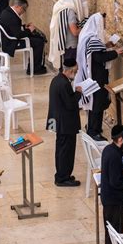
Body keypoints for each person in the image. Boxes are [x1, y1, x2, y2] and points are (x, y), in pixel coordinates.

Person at [75, 12, 122, 141]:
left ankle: (92, 127)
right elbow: (99, 57)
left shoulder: (89, 37)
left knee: (95, 104)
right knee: (97, 105)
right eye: (103, 22)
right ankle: (93, 131)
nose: (105, 24)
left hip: (94, 76)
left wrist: (107, 45)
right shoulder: (93, 39)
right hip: (97, 78)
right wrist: (115, 53)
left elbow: (96, 51)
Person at [46, 59, 82, 187]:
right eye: (76, 71)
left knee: (62, 149)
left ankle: (63, 174)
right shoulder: (64, 84)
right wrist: (78, 93)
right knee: (66, 150)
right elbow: (70, 103)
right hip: (65, 123)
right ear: (71, 70)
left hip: (59, 121)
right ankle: (62, 178)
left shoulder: (57, 79)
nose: (76, 73)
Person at [0, 0, 47, 75]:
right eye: (23, 10)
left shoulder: (7, 11)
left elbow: (13, 28)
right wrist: (29, 30)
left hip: (8, 40)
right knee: (39, 42)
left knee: (36, 39)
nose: (23, 12)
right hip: (11, 43)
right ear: (19, 7)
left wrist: (24, 27)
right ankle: (34, 69)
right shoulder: (12, 17)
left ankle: (34, 66)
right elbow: (18, 35)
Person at [48, 0, 89, 68]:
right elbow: (74, 32)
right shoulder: (70, 11)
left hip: (62, 43)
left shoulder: (62, 3)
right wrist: (86, 26)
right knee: (70, 69)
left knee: (65, 67)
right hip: (71, 45)